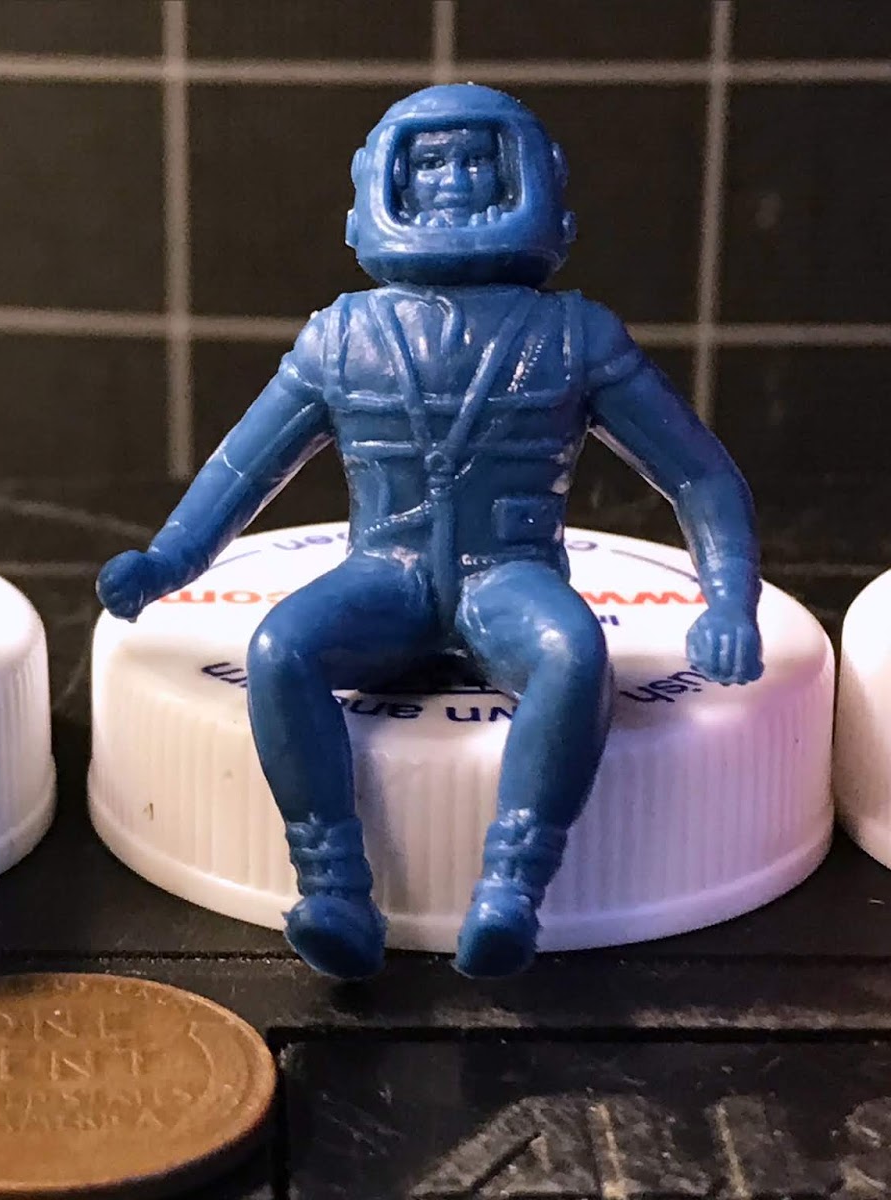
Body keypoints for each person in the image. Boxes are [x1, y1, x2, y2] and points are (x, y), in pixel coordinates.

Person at [98, 84, 762, 979]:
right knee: (281, 649)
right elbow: (243, 471)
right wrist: (167, 559)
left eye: (476, 159)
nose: (452, 180)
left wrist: (729, 598)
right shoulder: (341, 336)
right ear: (384, 184)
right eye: (429, 163)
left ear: (525, 178)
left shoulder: (575, 336)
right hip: (387, 577)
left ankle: (512, 891)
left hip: (509, 579)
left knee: (572, 652)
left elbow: (698, 472)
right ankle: (332, 887)